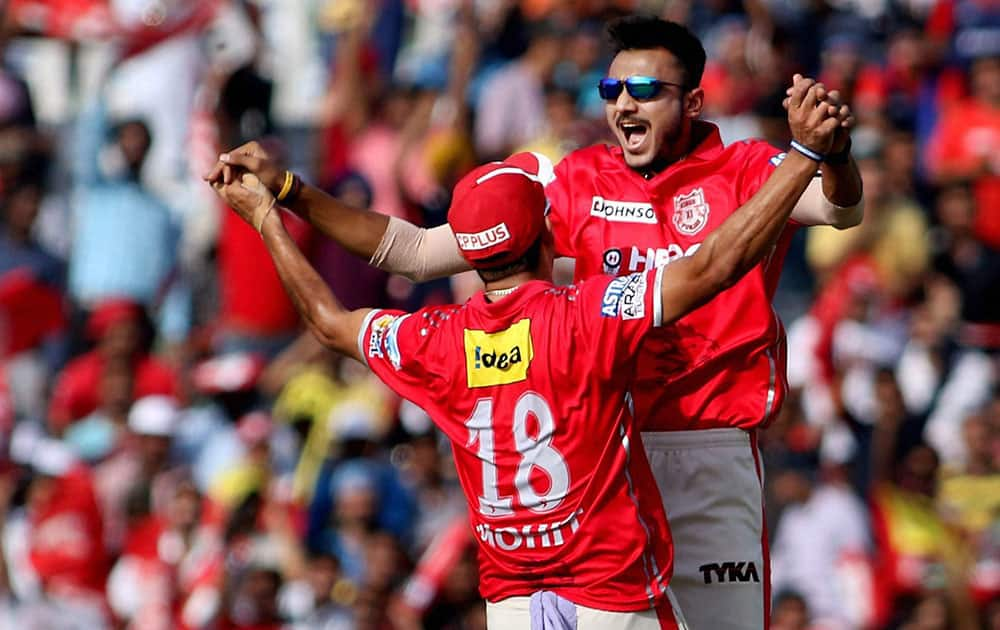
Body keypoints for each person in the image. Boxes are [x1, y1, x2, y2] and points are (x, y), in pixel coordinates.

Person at [208, 17, 864, 629]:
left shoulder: (746, 167)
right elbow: (412, 250)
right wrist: (290, 189)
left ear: (692, 102)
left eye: (645, 90)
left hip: (709, 445)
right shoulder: (568, 179)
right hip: (608, 454)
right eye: (611, 88)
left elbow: (840, 211)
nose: (623, 105)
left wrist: (830, 152)